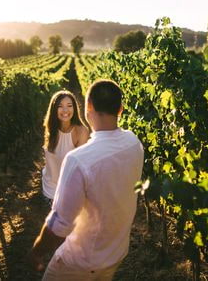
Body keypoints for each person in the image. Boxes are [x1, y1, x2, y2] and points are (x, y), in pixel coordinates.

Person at [30, 79, 144, 281]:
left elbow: (59, 226)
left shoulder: (78, 160)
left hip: (79, 261)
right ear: (121, 109)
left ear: (88, 107)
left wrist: (37, 250)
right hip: (115, 255)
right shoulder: (134, 144)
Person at [42, 90, 89, 204]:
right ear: (54, 109)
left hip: (69, 193)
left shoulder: (81, 131)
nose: (65, 110)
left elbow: (81, 168)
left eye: (69, 106)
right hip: (49, 190)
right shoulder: (51, 128)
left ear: (74, 108)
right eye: (60, 106)